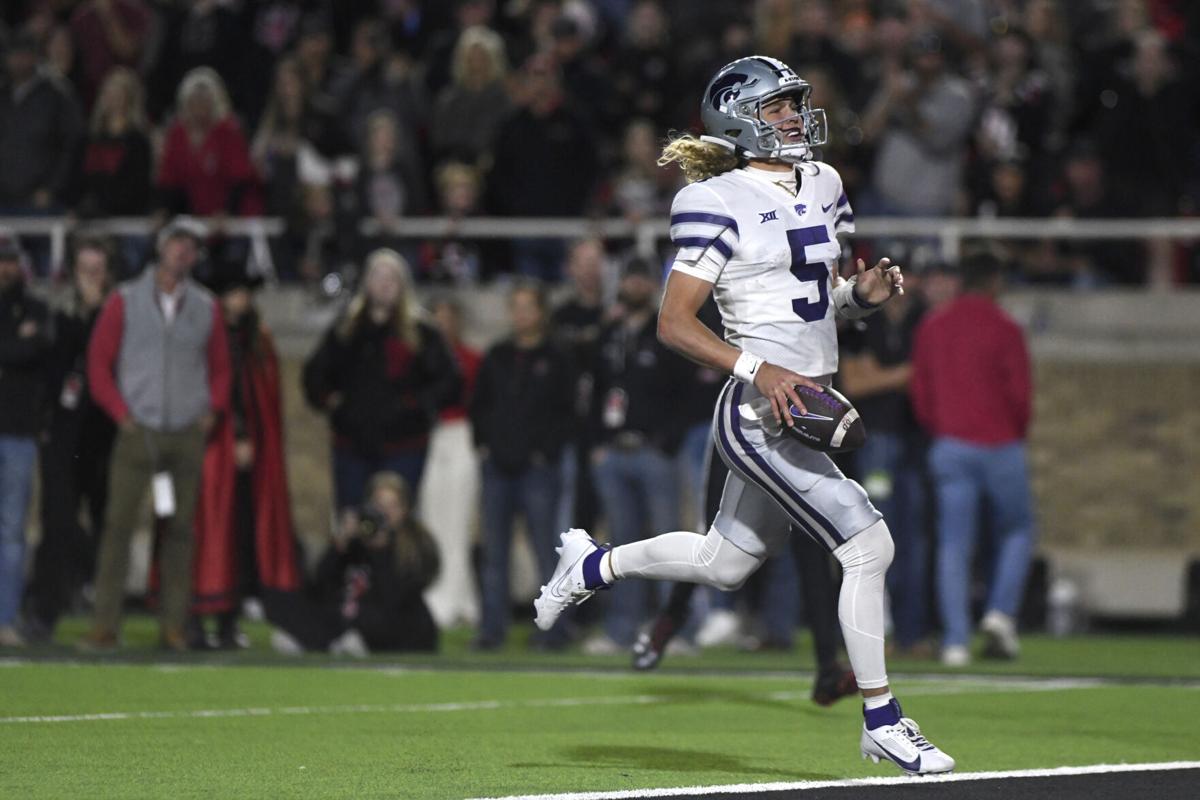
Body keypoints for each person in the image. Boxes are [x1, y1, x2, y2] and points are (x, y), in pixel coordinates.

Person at [533, 56, 954, 775]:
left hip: (809, 397)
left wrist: (863, 294)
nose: (793, 117)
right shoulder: (713, 198)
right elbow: (674, 322)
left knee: (723, 564)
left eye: (795, 104)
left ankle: (593, 563)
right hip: (758, 408)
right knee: (866, 544)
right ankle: (882, 719)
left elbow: (819, 300)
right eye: (777, 108)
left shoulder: (825, 183)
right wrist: (761, 370)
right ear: (738, 118)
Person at [81, 218, 231, 651]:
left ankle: (173, 625)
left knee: (179, 530)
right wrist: (120, 413)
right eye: (177, 244)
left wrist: (212, 411)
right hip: (138, 432)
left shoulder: (206, 306)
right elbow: (98, 363)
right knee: (118, 527)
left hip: (184, 434)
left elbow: (221, 367)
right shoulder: (125, 300)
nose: (184, 253)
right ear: (161, 248)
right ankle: (105, 624)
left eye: (191, 247)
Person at [910, 252, 1035, 667]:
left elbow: (921, 394)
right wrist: (1014, 432)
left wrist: (941, 428)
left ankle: (956, 643)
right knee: (1018, 530)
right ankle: (999, 613)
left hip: (950, 446)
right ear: (995, 282)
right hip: (1000, 444)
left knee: (953, 545)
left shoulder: (934, 325)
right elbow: (1020, 394)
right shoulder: (1005, 327)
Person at [189, 256, 302, 649]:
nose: (239, 301)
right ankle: (195, 620)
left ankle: (227, 620)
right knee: (204, 531)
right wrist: (235, 433)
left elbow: (260, 397)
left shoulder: (256, 338)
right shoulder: (206, 334)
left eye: (243, 294)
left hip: (242, 458)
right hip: (210, 452)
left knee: (238, 536)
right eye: (233, 294)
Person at [584, 258, 692, 654]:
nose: (635, 284)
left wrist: (668, 443)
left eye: (641, 278)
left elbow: (688, 394)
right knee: (620, 547)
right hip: (614, 452)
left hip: (653, 451)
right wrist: (597, 443)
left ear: (652, 285)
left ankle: (672, 631)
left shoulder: (668, 333)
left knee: (667, 545)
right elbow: (595, 392)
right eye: (630, 277)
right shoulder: (610, 334)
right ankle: (621, 630)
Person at [303, 248, 461, 511]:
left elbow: (450, 380)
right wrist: (335, 404)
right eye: (378, 276)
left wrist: (414, 406)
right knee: (353, 521)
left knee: (397, 523)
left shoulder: (421, 331)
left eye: (392, 277)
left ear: (402, 284)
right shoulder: (346, 329)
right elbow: (315, 375)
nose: (384, 284)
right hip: (352, 444)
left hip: (404, 444)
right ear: (366, 282)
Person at [469, 280, 574, 650]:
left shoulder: (556, 358)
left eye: (528, 307)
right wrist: (483, 444)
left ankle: (553, 630)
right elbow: (479, 404)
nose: (521, 314)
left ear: (541, 312)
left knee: (546, 551)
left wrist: (545, 451)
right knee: (494, 555)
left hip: (537, 470)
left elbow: (566, 412)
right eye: (516, 306)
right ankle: (490, 630)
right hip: (497, 466)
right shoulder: (496, 355)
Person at [23, 237, 117, 643]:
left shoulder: (117, 315)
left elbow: (108, 360)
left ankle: (105, 616)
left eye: (97, 270)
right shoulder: (55, 314)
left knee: (108, 523)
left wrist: (96, 314)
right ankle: (45, 609)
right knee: (57, 521)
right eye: (85, 270)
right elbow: (51, 365)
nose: (90, 278)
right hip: (63, 431)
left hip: (105, 433)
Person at [270, 471, 439, 656]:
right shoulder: (356, 541)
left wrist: (380, 551)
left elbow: (394, 599)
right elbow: (320, 586)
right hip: (348, 623)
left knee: (363, 630)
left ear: (405, 510)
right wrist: (339, 547)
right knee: (290, 633)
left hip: (393, 629)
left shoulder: (414, 547)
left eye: (393, 506)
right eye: (379, 505)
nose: (385, 513)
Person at [417, 295, 483, 629]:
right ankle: (438, 592)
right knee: (433, 517)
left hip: (461, 435)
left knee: (457, 522)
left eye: (448, 318)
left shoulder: (471, 358)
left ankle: (459, 597)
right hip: (431, 437)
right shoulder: (422, 358)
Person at [0, 240, 51, 647]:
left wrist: (17, 348)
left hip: (18, 431)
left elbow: (37, 352)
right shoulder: (27, 315)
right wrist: (17, 345)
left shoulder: (36, 309)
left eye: (10, 261)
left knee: (13, 532)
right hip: (16, 430)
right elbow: (22, 350)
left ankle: (5, 618)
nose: (5, 269)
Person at [157, 67, 262, 217]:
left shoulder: (228, 131)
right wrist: (164, 210)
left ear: (215, 102)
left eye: (204, 100)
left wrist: (226, 212)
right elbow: (169, 180)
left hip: (236, 217)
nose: (199, 107)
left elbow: (240, 179)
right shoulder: (177, 134)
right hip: (196, 215)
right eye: (194, 101)